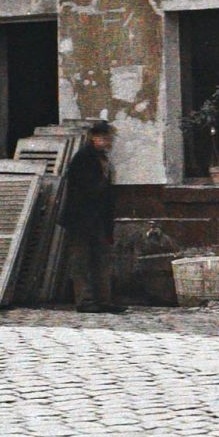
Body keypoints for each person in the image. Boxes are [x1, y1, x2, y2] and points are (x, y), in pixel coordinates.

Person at [59, 120, 125, 313]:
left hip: (98, 218)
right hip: (82, 218)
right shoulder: (83, 158)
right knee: (81, 260)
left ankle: (104, 300)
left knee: (101, 259)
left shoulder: (101, 158)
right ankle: (85, 300)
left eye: (109, 138)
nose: (108, 142)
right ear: (94, 138)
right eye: (104, 138)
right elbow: (85, 191)